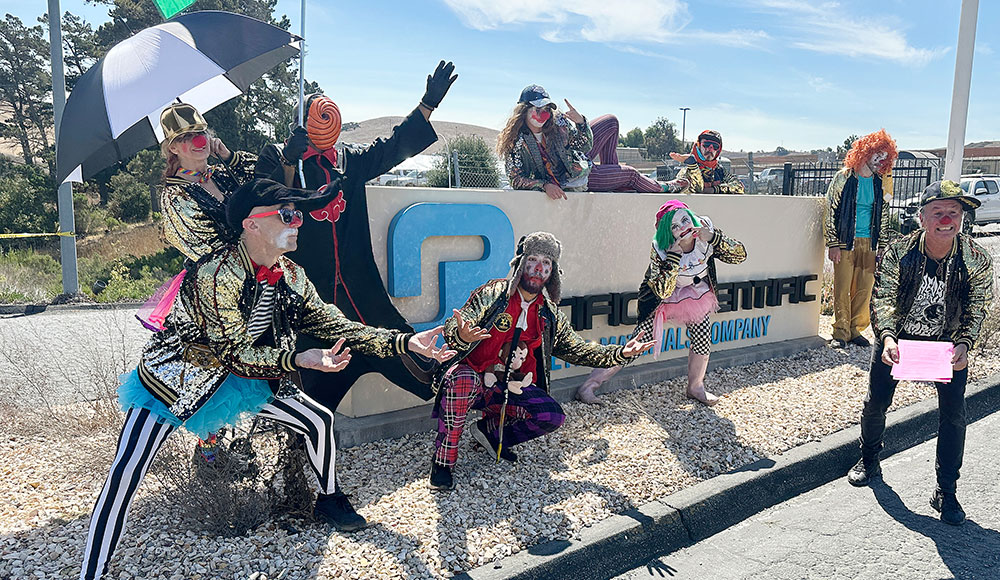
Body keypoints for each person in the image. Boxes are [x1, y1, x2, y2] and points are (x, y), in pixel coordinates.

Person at [80, 179, 457, 580]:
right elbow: (234, 352)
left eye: (299, 214)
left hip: (247, 373)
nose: (298, 222)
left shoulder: (290, 274)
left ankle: (328, 499)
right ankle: (92, 571)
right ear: (251, 224)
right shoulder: (215, 274)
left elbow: (334, 323)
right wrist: (299, 357)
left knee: (318, 421)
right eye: (287, 214)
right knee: (126, 472)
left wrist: (404, 342)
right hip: (178, 376)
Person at [254, 61, 458, 415]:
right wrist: (289, 159)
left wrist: (427, 105)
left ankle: (460, 402)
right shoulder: (278, 156)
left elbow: (392, 148)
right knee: (311, 387)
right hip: (308, 294)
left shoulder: (347, 161)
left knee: (413, 358)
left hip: (360, 290)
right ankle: (304, 443)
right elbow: (265, 199)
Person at [428, 231, 656, 490]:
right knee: (462, 379)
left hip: (511, 386)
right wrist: (461, 334)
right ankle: (444, 461)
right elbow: (457, 323)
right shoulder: (494, 295)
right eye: (533, 259)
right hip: (474, 381)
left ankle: (489, 433)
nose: (539, 268)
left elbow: (577, 349)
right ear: (520, 263)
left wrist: (620, 353)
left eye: (546, 263)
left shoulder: (548, 313)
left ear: (552, 272)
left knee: (550, 415)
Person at [846, 181, 992, 527]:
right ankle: (869, 458)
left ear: (962, 218)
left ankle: (946, 490)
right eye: (938, 212)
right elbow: (883, 298)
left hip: (948, 344)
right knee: (876, 402)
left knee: (955, 415)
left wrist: (965, 343)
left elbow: (977, 305)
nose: (946, 219)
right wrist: (888, 337)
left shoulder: (977, 258)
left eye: (954, 212)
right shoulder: (898, 252)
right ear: (922, 217)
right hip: (900, 337)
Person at [144, 103, 261, 467]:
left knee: (248, 364)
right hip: (211, 292)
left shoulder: (221, 173)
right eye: (187, 138)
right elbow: (205, 247)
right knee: (212, 369)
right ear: (173, 148)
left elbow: (260, 182)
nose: (199, 142)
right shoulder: (174, 195)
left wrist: (228, 154)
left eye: (202, 134)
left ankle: (235, 443)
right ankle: (209, 459)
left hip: (247, 280)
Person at [576, 200, 747, 405]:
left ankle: (695, 387)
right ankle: (589, 386)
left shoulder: (705, 233)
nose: (684, 227)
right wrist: (674, 257)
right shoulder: (661, 247)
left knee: (702, 338)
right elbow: (663, 289)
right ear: (669, 231)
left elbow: (740, 255)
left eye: (685, 219)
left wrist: (713, 237)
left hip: (696, 294)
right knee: (638, 343)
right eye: (675, 226)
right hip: (660, 296)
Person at [824, 129, 898, 349]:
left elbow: (884, 215)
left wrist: (882, 247)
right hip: (846, 241)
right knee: (842, 287)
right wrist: (833, 243)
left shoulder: (879, 182)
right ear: (866, 152)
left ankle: (856, 330)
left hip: (870, 243)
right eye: (878, 154)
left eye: (886, 156)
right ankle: (840, 332)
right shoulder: (844, 177)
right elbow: (830, 210)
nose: (881, 160)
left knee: (865, 288)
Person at [498, 85, 593, 200]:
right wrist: (544, 185)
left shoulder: (558, 124)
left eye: (547, 110)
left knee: (611, 122)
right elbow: (516, 179)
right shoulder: (516, 141)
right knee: (620, 175)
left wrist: (581, 123)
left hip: (580, 172)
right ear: (524, 110)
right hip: (566, 185)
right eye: (538, 110)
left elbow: (585, 146)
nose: (545, 115)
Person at [586, 114, 669, 193]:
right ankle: (665, 187)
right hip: (578, 174)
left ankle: (615, 181)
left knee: (611, 122)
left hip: (576, 155)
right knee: (632, 175)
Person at [671, 130, 744, 194]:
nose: (710, 149)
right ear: (699, 146)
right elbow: (695, 189)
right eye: (706, 145)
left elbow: (739, 186)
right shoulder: (687, 171)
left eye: (715, 146)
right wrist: (692, 165)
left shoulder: (719, 171)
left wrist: (715, 189)